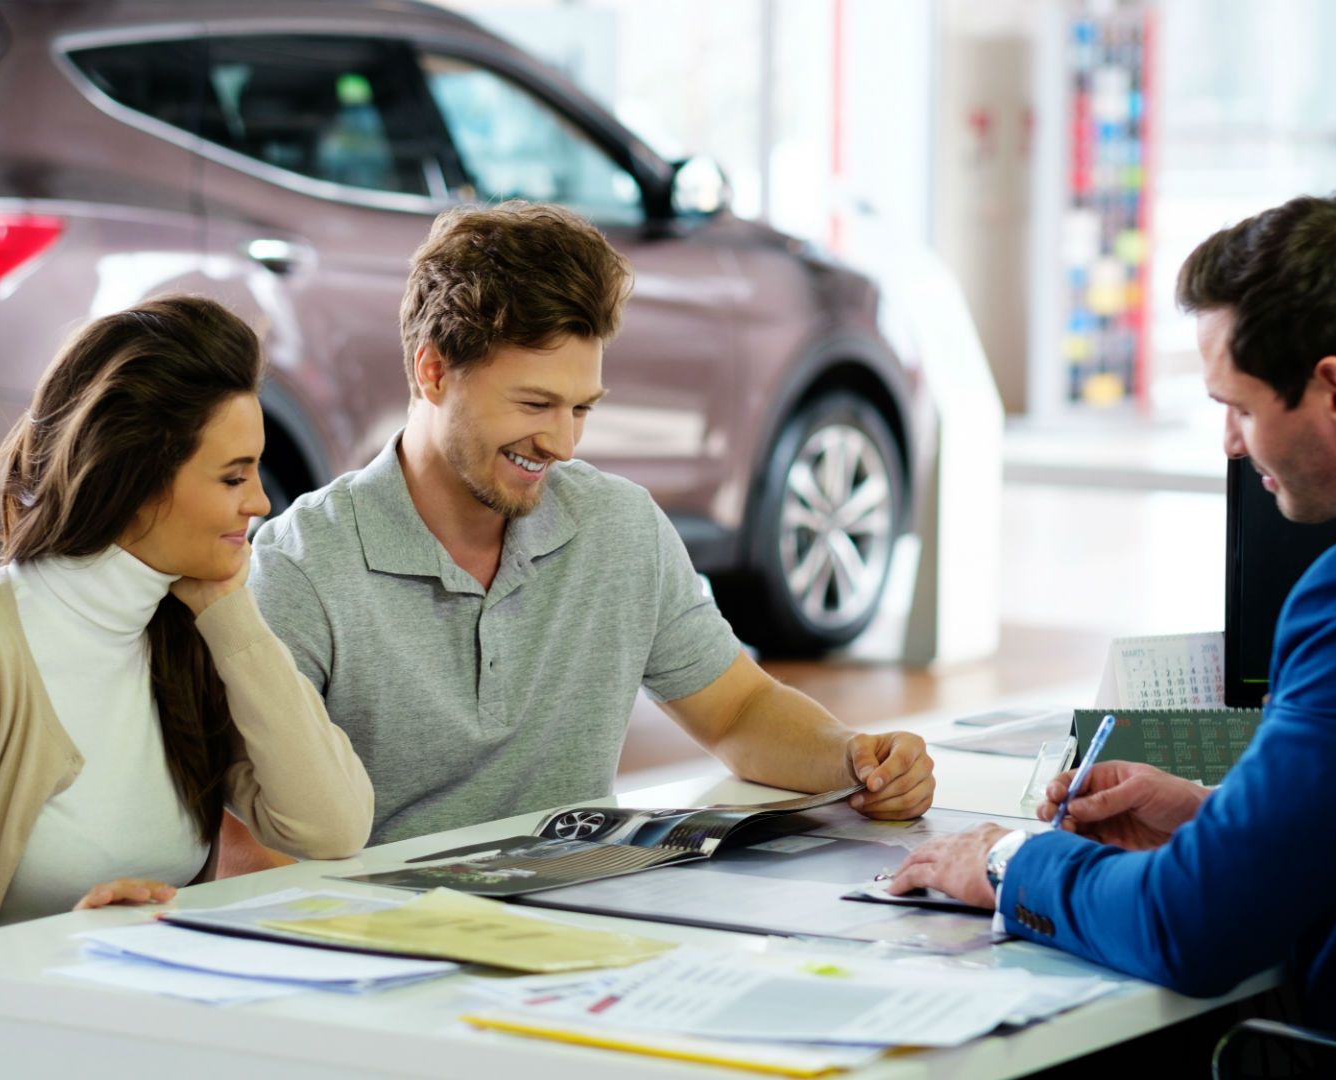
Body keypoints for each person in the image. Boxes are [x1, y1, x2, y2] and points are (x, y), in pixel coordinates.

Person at [887, 194, 1336, 1078]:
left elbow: (1196, 929)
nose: (1228, 442)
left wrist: (1012, 861)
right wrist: (1217, 820)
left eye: (1239, 406)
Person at [0, 297, 374, 1080]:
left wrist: (231, 613)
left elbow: (330, 826)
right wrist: (50, 969)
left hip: (107, 1047)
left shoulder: (185, 626)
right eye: (233, 475)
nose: (261, 501)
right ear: (134, 481)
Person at [250, 201, 934, 847]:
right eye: (535, 403)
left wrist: (855, 760)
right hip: (377, 943)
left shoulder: (619, 526)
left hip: (582, 931)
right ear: (433, 371)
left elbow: (738, 711)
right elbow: (257, 835)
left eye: (581, 409)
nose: (562, 444)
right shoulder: (303, 566)